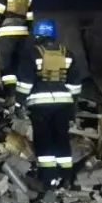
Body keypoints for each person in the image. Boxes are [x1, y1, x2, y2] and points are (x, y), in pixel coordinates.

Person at [15, 19, 83, 189]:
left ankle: (48, 179)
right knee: (61, 139)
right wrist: (73, 104)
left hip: (40, 106)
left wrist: (18, 103)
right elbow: (75, 84)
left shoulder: (32, 54)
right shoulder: (67, 53)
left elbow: (25, 83)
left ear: (38, 35)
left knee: (44, 140)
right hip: (64, 105)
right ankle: (66, 177)